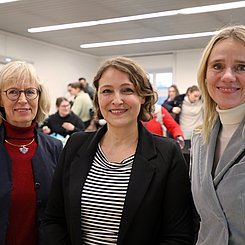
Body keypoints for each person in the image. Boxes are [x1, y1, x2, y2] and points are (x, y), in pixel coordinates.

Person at [44, 56, 194, 245]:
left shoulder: (168, 153)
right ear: (97, 98)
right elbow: (54, 219)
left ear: (142, 96)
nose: (117, 100)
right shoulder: (75, 145)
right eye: (107, 91)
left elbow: (178, 236)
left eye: (127, 90)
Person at [190, 25, 245, 245]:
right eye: (217, 66)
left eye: (242, 67)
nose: (228, 76)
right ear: (205, 76)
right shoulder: (200, 138)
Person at [0, 61, 63, 245]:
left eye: (29, 91)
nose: (22, 100)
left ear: (39, 96)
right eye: (13, 92)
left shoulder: (55, 148)